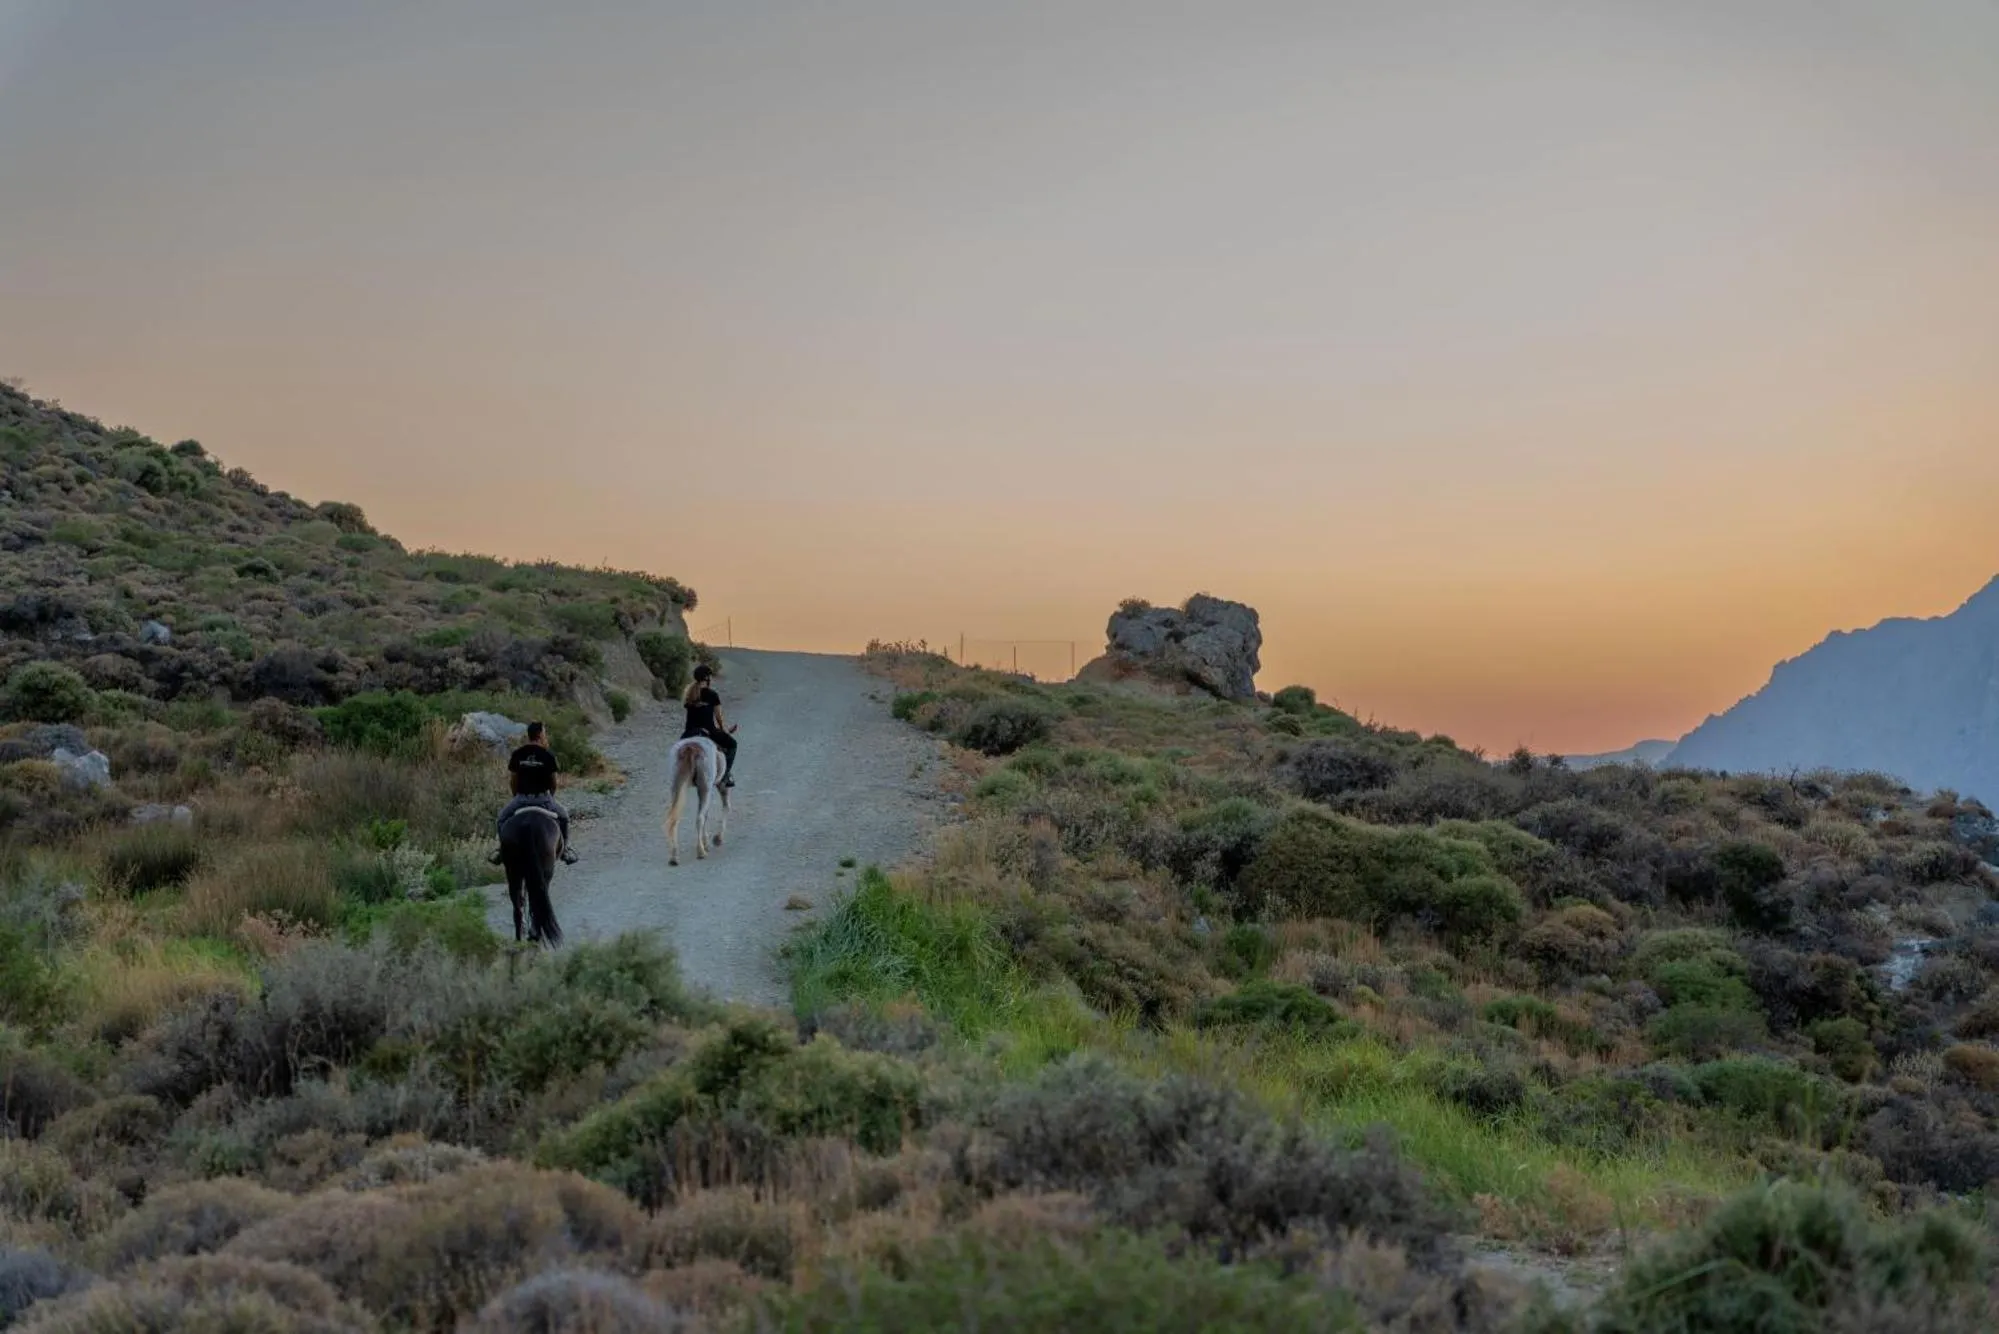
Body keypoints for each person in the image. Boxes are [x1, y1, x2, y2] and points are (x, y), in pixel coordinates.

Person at [491, 721, 579, 864]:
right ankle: (565, 851)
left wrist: (517, 797)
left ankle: (501, 851)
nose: (546, 737)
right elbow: (553, 782)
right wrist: (549, 798)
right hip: (543, 799)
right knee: (564, 817)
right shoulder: (548, 755)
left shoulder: (518, 753)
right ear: (539, 735)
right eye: (545, 734)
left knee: (501, 819)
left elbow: (513, 780)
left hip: (521, 799)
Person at [682, 663, 738, 788]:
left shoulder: (689, 694)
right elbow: (719, 718)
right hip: (708, 732)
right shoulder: (712, 695)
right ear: (707, 678)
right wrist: (724, 730)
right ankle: (725, 777)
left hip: (688, 732)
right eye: (710, 676)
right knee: (733, 745)